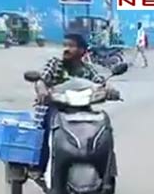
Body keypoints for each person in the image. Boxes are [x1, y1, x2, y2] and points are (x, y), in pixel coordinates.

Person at [35, 34, 106, 178]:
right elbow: (41, 80)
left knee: (99, 130)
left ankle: (103, 171)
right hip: (57, 108)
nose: (66, 49)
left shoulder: (88, 69)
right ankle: (40, 166)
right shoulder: (55, 64)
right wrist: (42, 90)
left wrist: (109, 90)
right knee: (48, 130)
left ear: (82, 51)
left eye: (71, 46)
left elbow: (100, 83)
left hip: (83, 108)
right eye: (65, 45)